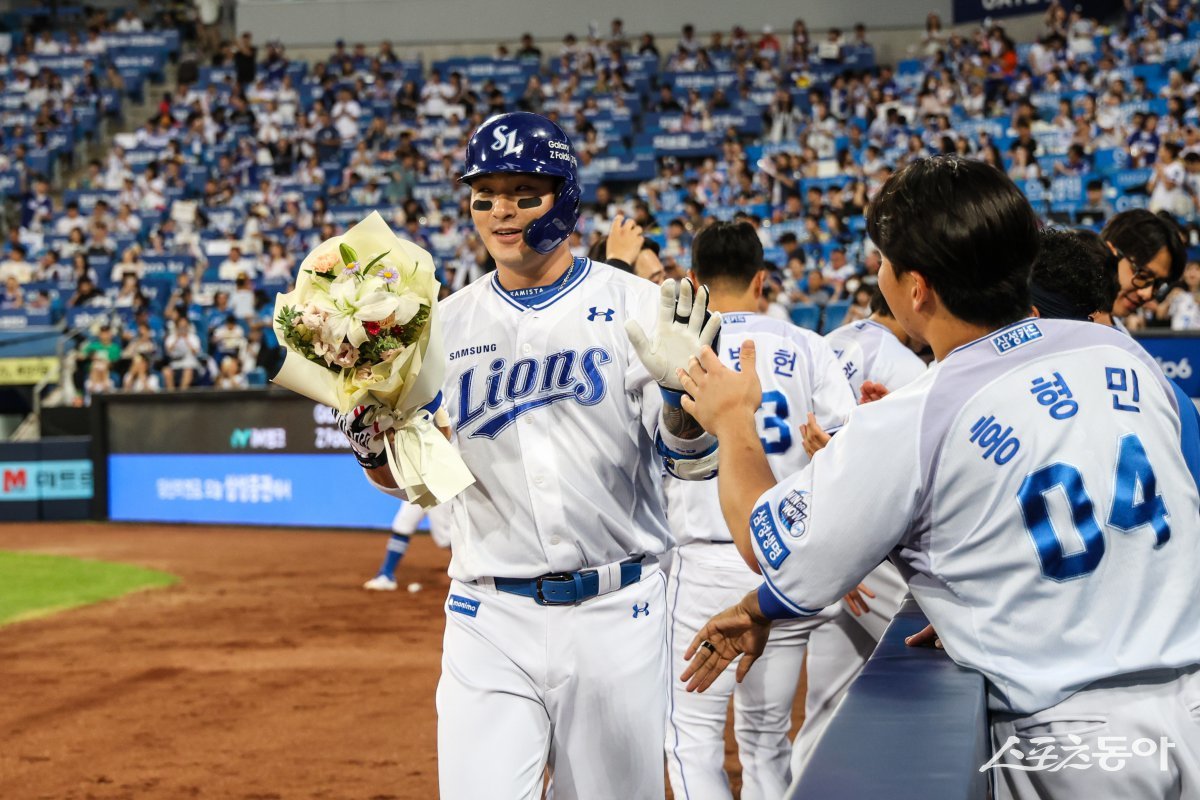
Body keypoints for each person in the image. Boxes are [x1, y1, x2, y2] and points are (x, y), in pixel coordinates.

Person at [677, 157, 1200, 800]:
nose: (878, 271)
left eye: (884, 260)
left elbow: (767, 545)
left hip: (1075, 737)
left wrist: (734, 423)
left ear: (916, 289)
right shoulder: (1123, 352)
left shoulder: (918, 413)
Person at [339, 112, 721, 799]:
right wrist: (371, 442)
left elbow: (689, 459)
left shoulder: (636, 305)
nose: (500, 211)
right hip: (490, 616)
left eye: (522, 192)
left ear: (565, 196)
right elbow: (414, 482)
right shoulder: (440, 327)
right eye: (484, 196)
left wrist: (678, 402)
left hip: (617, 612)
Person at [661, 221, 855, 798]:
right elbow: (844, 452)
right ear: (762, 280)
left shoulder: (682, 352)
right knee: (768, 737)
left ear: (693, 282)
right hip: (785, 564)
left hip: (701, 562)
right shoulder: (809, 345)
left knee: (691, 736)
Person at [362, 502, 452, 591]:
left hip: (439, 491)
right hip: (416, 487)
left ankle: (462, 572)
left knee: (445, 539)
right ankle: (385, 575)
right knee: (403, 525)